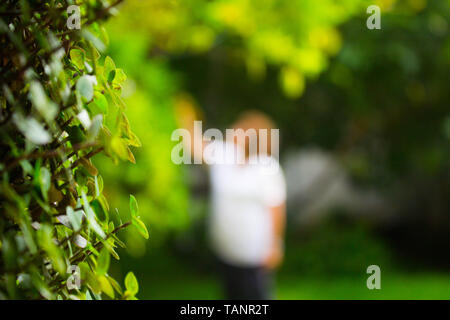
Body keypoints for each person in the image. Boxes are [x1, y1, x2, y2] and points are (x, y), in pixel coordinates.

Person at [178, 109, 287, 300]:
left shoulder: (266, 168)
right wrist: (186, 115)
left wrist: (275, 245)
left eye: (242, 129)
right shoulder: (223, 155)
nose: (234, 130)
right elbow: (193, 144)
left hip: (254, 257)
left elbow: (276, 209)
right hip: (226, 252)